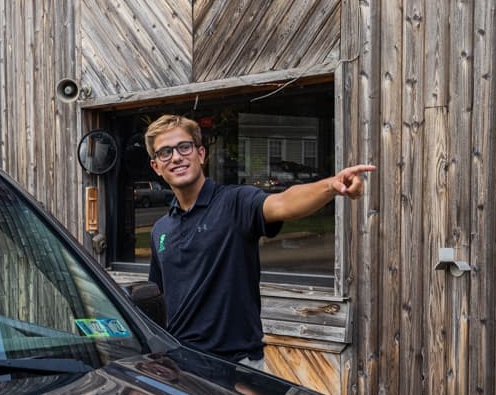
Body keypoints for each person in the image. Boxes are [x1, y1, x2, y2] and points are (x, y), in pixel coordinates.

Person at [145, 114, 375, 371]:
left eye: (183, 147)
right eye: (165, 152)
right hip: (181, 365)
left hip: (238, 365)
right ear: (156, 166)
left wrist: (332, 186)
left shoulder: (235, 204)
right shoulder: (160, 230)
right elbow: (156, 299)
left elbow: (285, 202)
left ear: (201, 154)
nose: (176, 157)